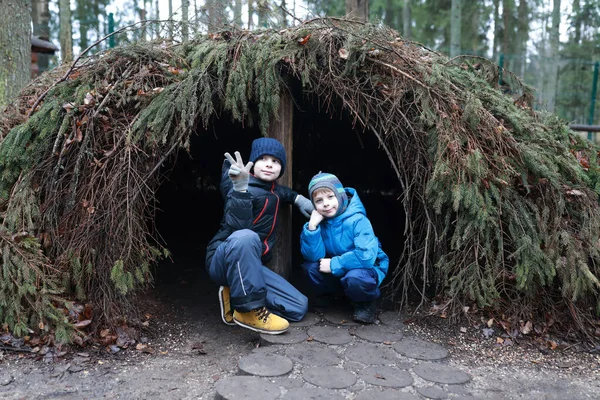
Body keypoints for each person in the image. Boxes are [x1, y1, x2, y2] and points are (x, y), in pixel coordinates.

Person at [205, 137, 313, 334]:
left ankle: (234, 296)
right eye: (263, 159)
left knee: (298, 306)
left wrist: (298, 198)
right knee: (247, 236)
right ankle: (249, 311)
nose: (270, 164)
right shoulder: (238, 187)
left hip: (250, 267)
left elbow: (281, 192)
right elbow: (238, 228)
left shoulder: (273, 190)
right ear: (252, 163)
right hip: (223, 260)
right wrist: (240, 190)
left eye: (276, 161)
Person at [300, 172, 389, 324]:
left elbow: (366, 258)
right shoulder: (319, 222)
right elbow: (313, 257)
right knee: (310, 268)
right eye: (319, 200)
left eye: (330, 197)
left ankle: (365, 303)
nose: (326, 204)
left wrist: (335, 264)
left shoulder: (358, 220)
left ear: (340, 196)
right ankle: (334, 297)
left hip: (366, 269)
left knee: (355, 278)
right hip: (340, 269)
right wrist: (312, 227)